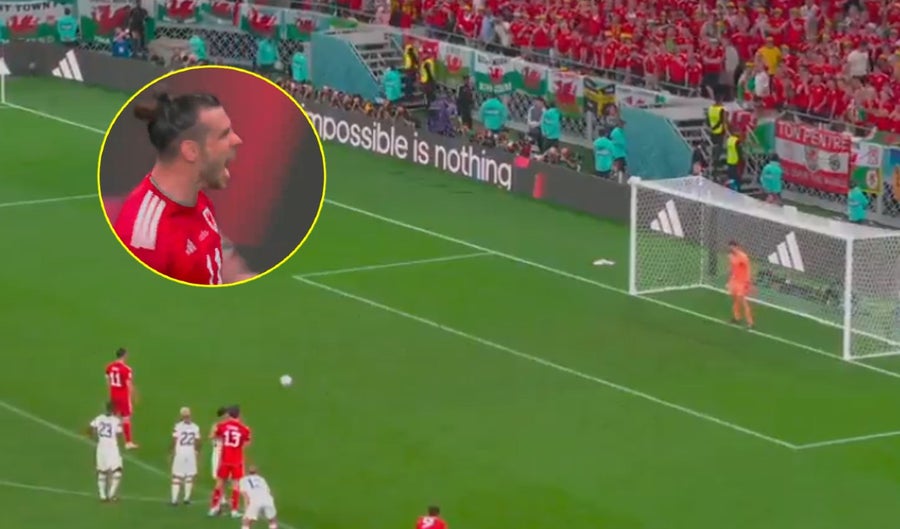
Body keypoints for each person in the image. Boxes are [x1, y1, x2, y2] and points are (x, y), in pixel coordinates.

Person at [113, 91, 256, 285]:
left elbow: (220, 268)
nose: (237, 140)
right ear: (191, 151)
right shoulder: (146, 240)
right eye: (224, 135)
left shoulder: (198, 200)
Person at [209, 406, 252, 518]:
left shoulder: (222, 426)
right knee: (236, 485)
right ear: (239, 415)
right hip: (236, 460)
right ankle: (234, 511)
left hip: (224, 459)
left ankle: (213, 508)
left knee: (219, 483)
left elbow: (214, 436)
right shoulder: (245, 429)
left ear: (229, 414)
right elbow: (247, 443)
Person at [87, 402, 124, 502]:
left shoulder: (99, 418)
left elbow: (90, 428)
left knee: (102, 471)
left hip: (101, 447)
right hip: (112, 448)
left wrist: (93, 436)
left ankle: (102, 496)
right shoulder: (116, 421)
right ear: (114, 410)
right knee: (117, 471)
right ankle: (111, 495)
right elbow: (119, 435)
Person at [105, 347, 138, 449]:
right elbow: (129, 384)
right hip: (123, 397)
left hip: (113, 395)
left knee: (114, 417)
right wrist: (134, 395)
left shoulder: (109, 367)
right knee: (126, 418)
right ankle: (128, 442)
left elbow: (108, 382)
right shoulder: (126, 369)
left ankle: (111, 438)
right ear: (124, 355)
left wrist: (111, 393)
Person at [171, 406, 201, 505]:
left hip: (180, 453)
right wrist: (197, 451)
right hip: (190, 453)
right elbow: (198, 441)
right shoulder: (196, 427)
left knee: (176, 476)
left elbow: (174, 440)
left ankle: (174, 500)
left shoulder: (177, 426)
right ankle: (186, 498)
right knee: (189, 476)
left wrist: (171, 452)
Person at [727, 240, 754, 329]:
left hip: (742, 283)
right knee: (735, 301)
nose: (732, 249)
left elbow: (748, 269)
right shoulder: (730, 256)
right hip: (734, 282)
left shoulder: (743, 257)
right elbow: (732, 268)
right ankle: (737, 317)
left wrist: (748, 282)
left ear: (737, 247)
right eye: (730, 247)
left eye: (733, 247)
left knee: (743, 302)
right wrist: (729, 281)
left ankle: (750, 322)